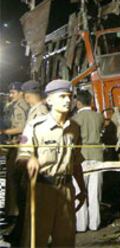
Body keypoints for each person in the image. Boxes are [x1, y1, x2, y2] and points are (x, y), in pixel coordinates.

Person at [17, 79, 86, 247]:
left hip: (66, 190)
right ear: (49, 101)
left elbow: (76, 162)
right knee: (36, 239)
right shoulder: (35, 126)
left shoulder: (74, 128)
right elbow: (21, 156)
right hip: (42, 190)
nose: (68, 101)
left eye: (69, 96)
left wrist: (82, 189)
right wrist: (30, 159)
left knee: (65, 240)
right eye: (62, 96)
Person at [72, 90, 104, 232]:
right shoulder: (99, 117)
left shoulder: (75, 119)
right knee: (94, 191)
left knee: (80, 191)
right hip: (97, 156)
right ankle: (94, 224)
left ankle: (81, 225)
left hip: (81, 157)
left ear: (78, 103)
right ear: (91, 101)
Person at [0, 82, 29, 235]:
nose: (10, 95)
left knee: (15, 182)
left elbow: (22, 127)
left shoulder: (19, 106)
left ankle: (16, 215)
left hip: (18, 147)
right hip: (16, 145)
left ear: (20, 93)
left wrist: (3, 131)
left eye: (13, 92)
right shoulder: (16, 105)